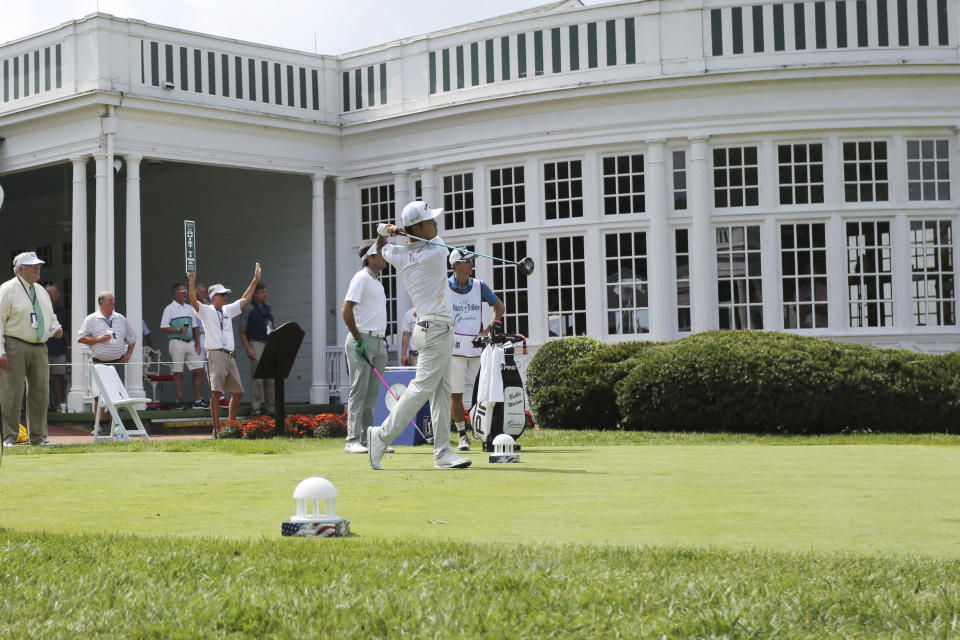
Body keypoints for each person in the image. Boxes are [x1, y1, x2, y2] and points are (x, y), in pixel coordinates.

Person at [367, 201, 471, 470]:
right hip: (436, 329)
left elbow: (380, 248)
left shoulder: (399, 254)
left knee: (441, 392)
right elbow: (430, 238)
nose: (436, 224)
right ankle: (381, 435)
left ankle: (443, 452)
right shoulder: (435, 250)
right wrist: (402, 230)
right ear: (418, 227)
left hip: (430, 329)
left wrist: (385, 231)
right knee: (422, 389)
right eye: (430, 221)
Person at [187, 264, 261, 433]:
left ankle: (231, 427)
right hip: (216, 354)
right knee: (216, 392)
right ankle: (217, 428)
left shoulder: (228, 309)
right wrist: (191, 283)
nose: (226, 297)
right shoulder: (205, 310)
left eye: (226, 294)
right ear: (214, 298)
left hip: (230, 356)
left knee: (238, 392)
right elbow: (193, 301)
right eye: (222, 295)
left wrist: (255, 280)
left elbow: (244, 298)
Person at [0, 251, 63, 447]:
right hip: (14, 344)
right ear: (20, 269)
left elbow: (50, 317)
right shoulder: (8, 289)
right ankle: (9, 438)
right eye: (32, 265)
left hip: (39, 346)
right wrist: (0, 350)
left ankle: (39, 437)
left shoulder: (41, 291)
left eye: (38, 265)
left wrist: (56, 328)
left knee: (41, 393)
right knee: (12, 392)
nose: (37, 268)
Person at [447, 249, 505, 451]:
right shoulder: (444, 287)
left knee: (484, 392)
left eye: (471, 261)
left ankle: (485, 432)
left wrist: (489, 329)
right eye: (468, 261)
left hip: (477, 348)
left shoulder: (479, 286)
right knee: (456, 394)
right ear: (456, 264)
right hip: (453, 349)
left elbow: (499, 307)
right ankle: (462, 435)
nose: (472, 264)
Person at [341, 241, 390, 454]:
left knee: (372, 395)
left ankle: (368, 440)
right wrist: (358, 337)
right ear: (369, 258)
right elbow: (346, 310)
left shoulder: (377, 282)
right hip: (362, 339)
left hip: (379, 341)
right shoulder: (361, 278)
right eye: (380, 254)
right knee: (358, 391)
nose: (384, 257)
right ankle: (351, 440)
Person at [77, 290, 139, 432]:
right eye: (110, 300)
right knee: (98, 396)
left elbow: (132, 338)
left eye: (113, 300)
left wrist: (128, 354)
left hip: (117, 362)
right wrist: (98, 340)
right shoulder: (91, 319)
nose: (113, 302)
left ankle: (115, 426)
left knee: (116, 396)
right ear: (101, 302)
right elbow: (80, 338)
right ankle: (98, 426)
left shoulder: (120, 319)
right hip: (99, 362)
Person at [160, 282, 206, 409]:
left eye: (187, 292)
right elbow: (163, 327)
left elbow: (195, 327)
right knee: (178, 372)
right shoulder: (169, 309)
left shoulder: (189, 308)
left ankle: (197, 401)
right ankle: (179, 401)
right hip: (176, 342)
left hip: (190, 343)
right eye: (184, 292)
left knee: (199, 370)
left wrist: (197, 344)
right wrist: (178, 330)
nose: (186, 295)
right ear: (176, 294)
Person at [239, 282, 275, 415]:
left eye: (265, 291)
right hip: (255, 343)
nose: (265, 294)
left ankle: (272, 409)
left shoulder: (268, 308)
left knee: (271, 378)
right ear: (254, 294)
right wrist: (248, 347)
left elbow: (272, 326)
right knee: (258, 379)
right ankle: (256, 409)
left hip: (269, 343)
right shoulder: (249, 308)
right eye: (262, 292)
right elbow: (242, 330)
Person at [45, 283, 68, 411]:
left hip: (59, 350)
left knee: (58, 377)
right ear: (48, 294)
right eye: (56, 292)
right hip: (45, 349)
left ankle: (60, 405)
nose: (58, 294)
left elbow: (65, 330)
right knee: (43, 379)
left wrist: (68, 347)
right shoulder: (42, 308)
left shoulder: (60, 311)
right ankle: (46, 406)